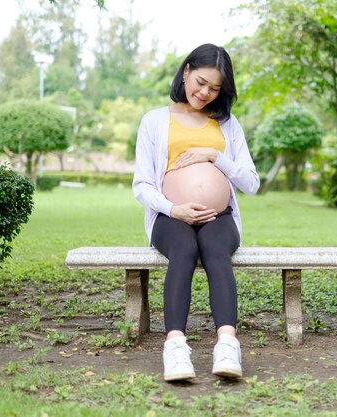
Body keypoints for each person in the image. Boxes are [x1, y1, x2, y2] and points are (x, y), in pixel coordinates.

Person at [132, 43, 260, 382]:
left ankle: (227, 346)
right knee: (184, 250)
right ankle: (175, 348)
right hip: (170, 216)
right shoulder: (155, 121)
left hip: (220, 217)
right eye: (201, 82)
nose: (205, 92)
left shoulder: (228, 125)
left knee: (217, 251)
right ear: (186, 71)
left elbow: (252, 182)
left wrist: (214, 156)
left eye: (215, 88)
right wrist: (175, 208)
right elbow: (142, 184)